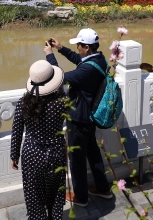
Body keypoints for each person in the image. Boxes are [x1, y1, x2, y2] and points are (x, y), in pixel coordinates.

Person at [43, 28, 112, 207]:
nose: (78, 48)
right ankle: (103, 188)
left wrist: (50, 56)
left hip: (79, 118)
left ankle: (81, 197)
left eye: (79, 45)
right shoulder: (99, 59)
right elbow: (79, 60)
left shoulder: (87, 70)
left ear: (87, 47)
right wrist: (61, 48)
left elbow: (59, 78)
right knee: (93, 153)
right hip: (91, 115)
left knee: (77, 159)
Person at [10, 60, 67, 220]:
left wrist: (14, 155)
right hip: (56, 154)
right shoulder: (61, 103)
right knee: (56, 194)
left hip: (32, 154)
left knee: (34, 196)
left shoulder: (23, 103)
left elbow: (17, 130)